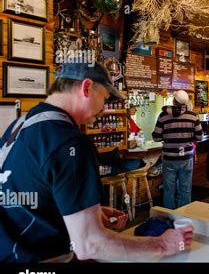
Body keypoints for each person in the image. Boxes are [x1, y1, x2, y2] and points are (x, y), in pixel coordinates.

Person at [0, 61, 193, 262]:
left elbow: (27, 197)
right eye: (105, 98)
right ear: (86, 88)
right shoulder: (70, 141)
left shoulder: (19, 125)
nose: (103, 108)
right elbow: (90, 245)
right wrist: (163, 245)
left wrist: (87, 211)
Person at [152, 90, 202, 209]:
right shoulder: (193, 116)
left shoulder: (163, 116)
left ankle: (170, 217)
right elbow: (199, 136)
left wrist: (168, 136)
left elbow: (156, 137)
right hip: (186, 158)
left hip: (169, 158)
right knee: (185, 189)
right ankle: (183, 218)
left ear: (174, 101)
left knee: (169, 190)